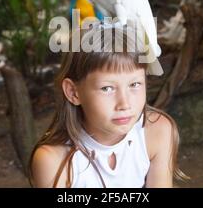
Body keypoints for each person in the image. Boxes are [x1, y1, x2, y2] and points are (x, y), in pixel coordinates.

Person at [29, 21, 187, 187]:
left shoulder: (157, 131)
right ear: (73, 92)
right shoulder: (53, 161)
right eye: (107, 88)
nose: (124, 104)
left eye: (134, 84)